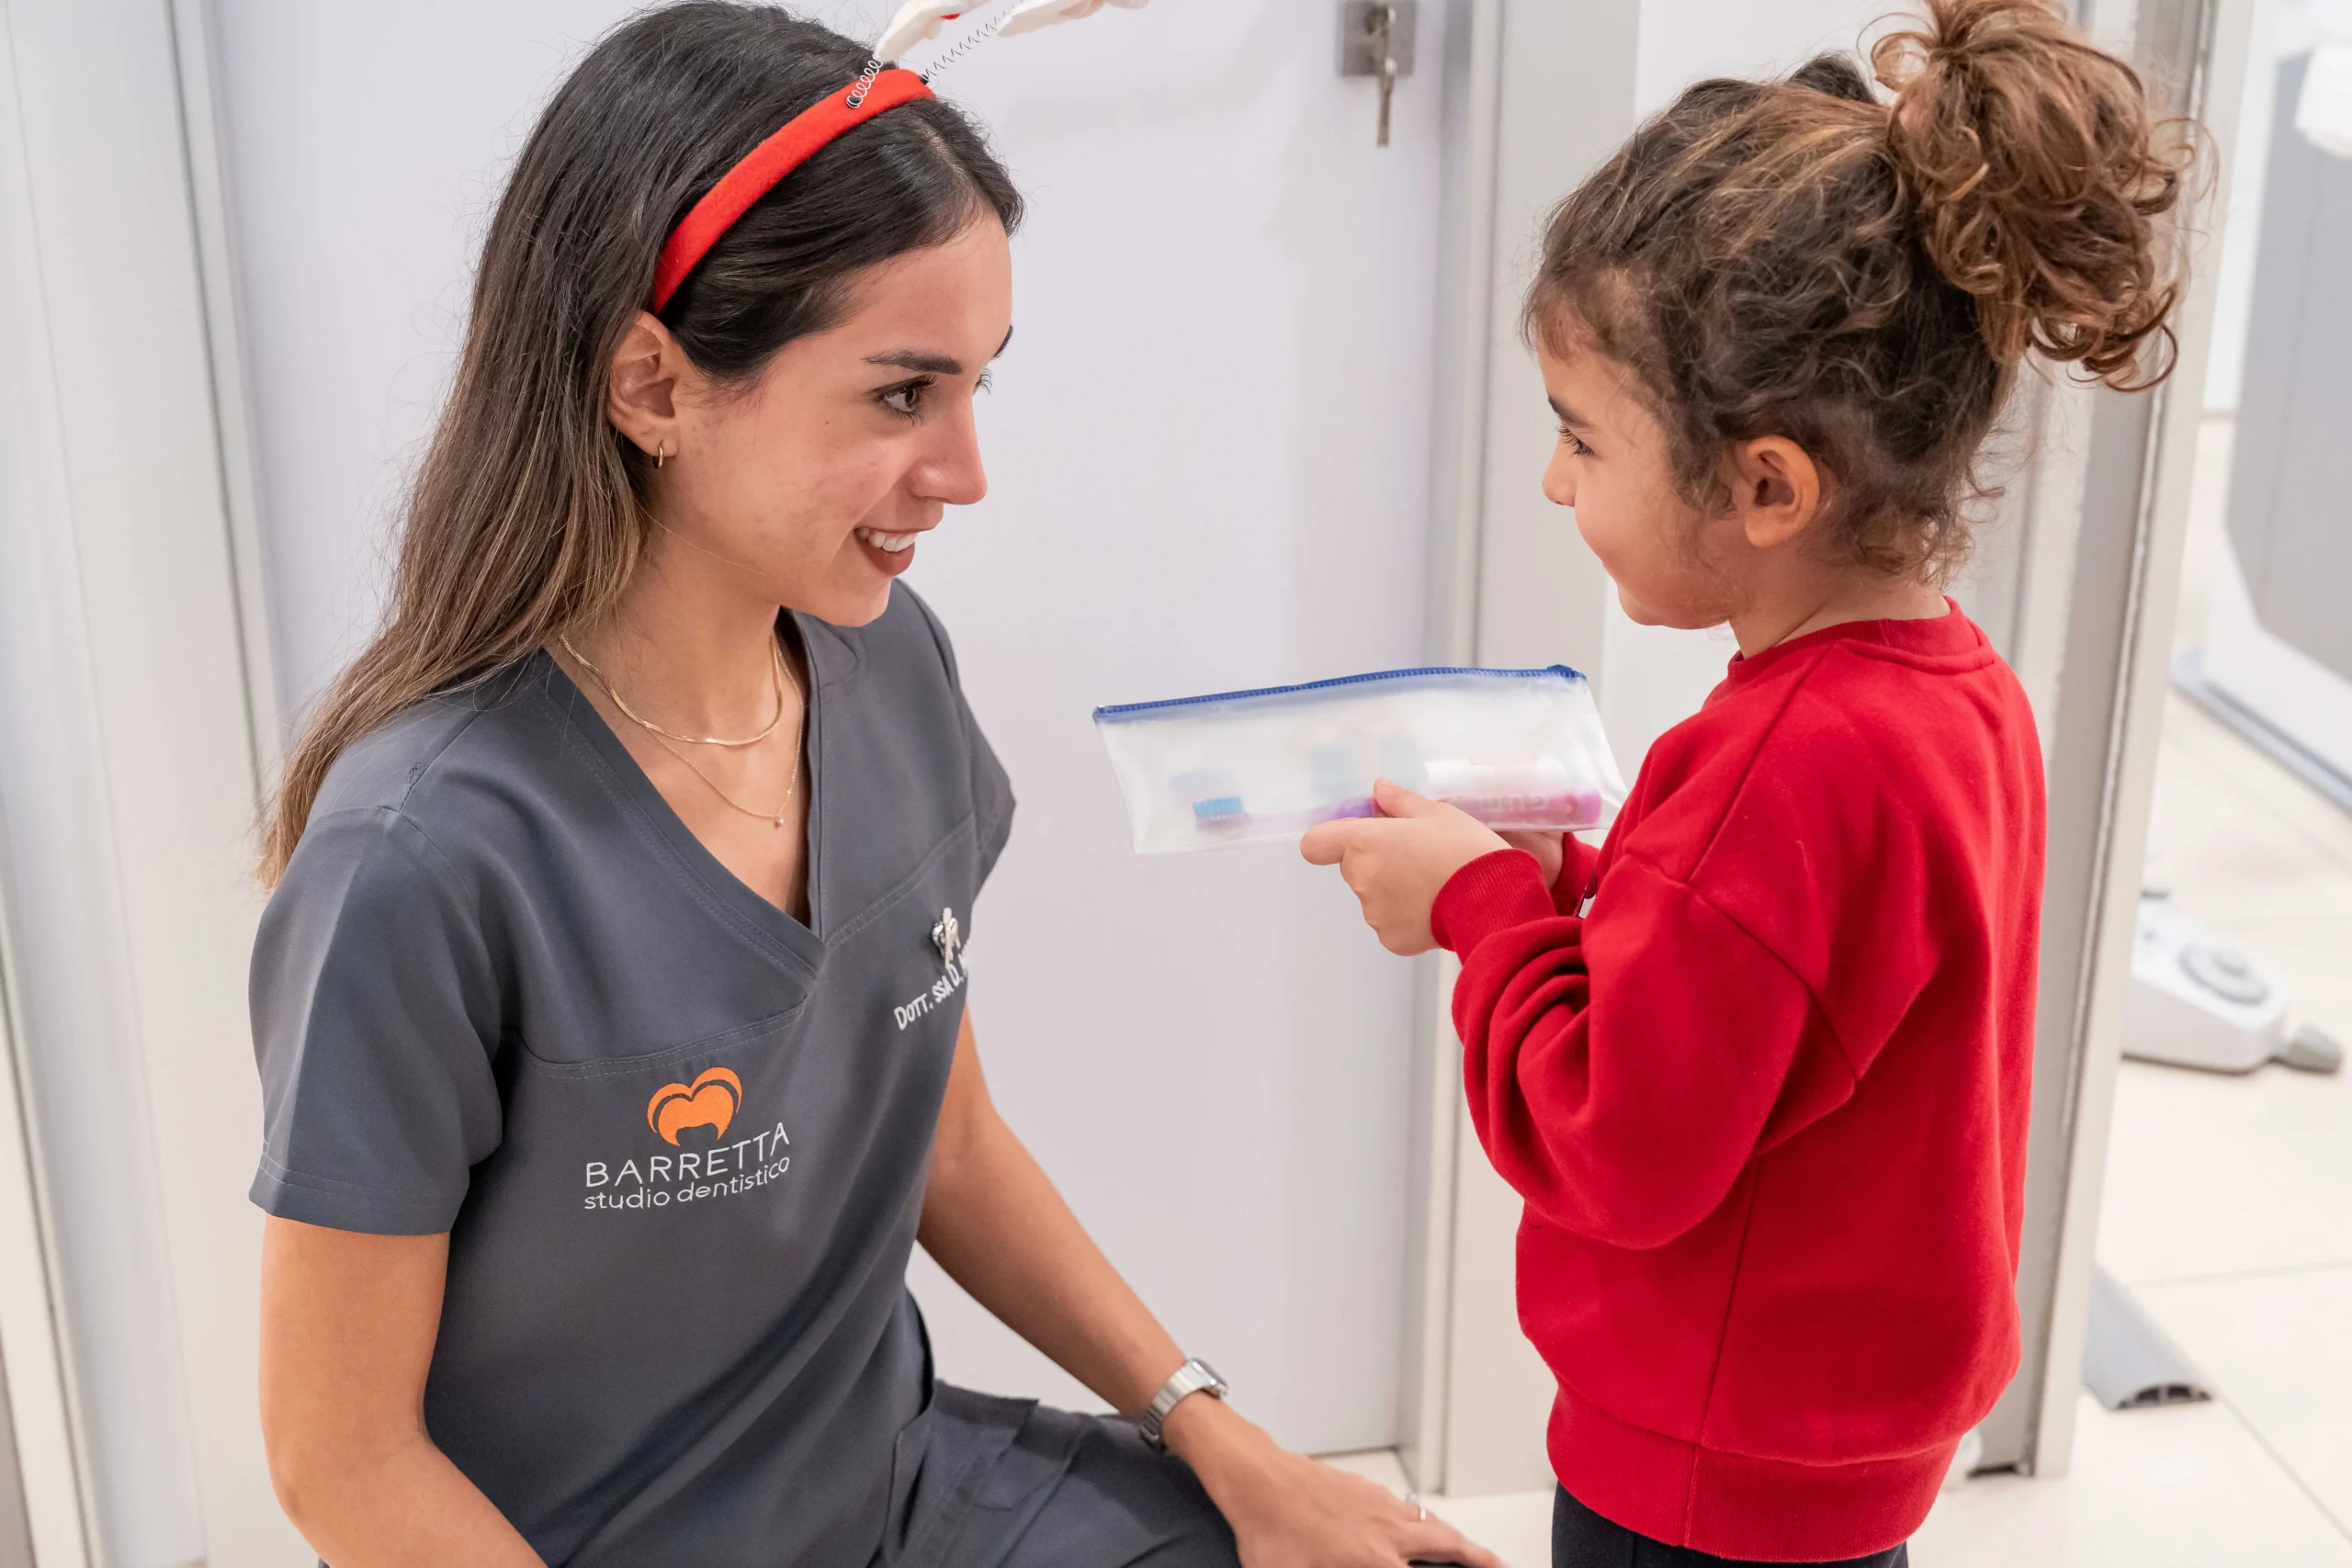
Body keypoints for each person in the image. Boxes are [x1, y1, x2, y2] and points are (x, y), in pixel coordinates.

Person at [245, 8, 1498, 1568]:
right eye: (905, 394)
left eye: (979, 387)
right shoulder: (420, 860)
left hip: (903, 1489)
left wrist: (1222, 1438)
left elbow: (948, 1147)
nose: (967, 470)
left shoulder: (888, 665)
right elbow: (342, 1462)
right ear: (652, 385)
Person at [1301, 2, 2194, 1562]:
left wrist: (1485, 912)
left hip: (1703, 1476)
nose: (1554, 480)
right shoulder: (1957, 701)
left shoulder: (1777, 763)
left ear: (1768, 484)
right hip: (1832, 1447)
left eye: (1585, 440)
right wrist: (1579, 891)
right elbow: (1785, 1008)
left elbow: (1615, 1141)